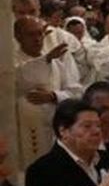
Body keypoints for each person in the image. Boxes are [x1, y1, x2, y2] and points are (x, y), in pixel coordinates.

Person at [13, 14, 83, 174]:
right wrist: (46, 59)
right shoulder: (10, 63)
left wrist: (54, 96)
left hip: (58, 131)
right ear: (17, 36)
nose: (37, 39)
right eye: (31, 34)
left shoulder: (57, 62)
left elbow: (76, 92)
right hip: (27, 134)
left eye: (40, 33)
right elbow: (20, 78)